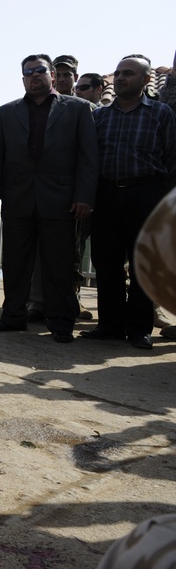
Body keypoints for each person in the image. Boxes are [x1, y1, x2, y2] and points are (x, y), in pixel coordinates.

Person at [0, 54, 98, 343]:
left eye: (40, 70)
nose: (34, 75)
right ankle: (12, 316)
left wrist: (84, 196)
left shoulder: (79, 109)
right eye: (28, 72)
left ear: (53, 75)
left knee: (58, 265)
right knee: (15, 264)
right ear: (23, 79)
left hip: (60, 200)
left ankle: (61, 323)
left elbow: (88, 158)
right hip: (17, 199)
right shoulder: (6, 113)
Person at [80, 55, 176, 350]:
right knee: (106, 262)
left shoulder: (160, 114)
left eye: (129, 74)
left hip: (145, 195)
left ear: (146, 80)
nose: (120, 78)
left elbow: (172, 159)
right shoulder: (100, 116)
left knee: (142, 266)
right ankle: (109, 325)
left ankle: (138, 329)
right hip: (106, 194)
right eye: (119, 73)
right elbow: (88, 161)